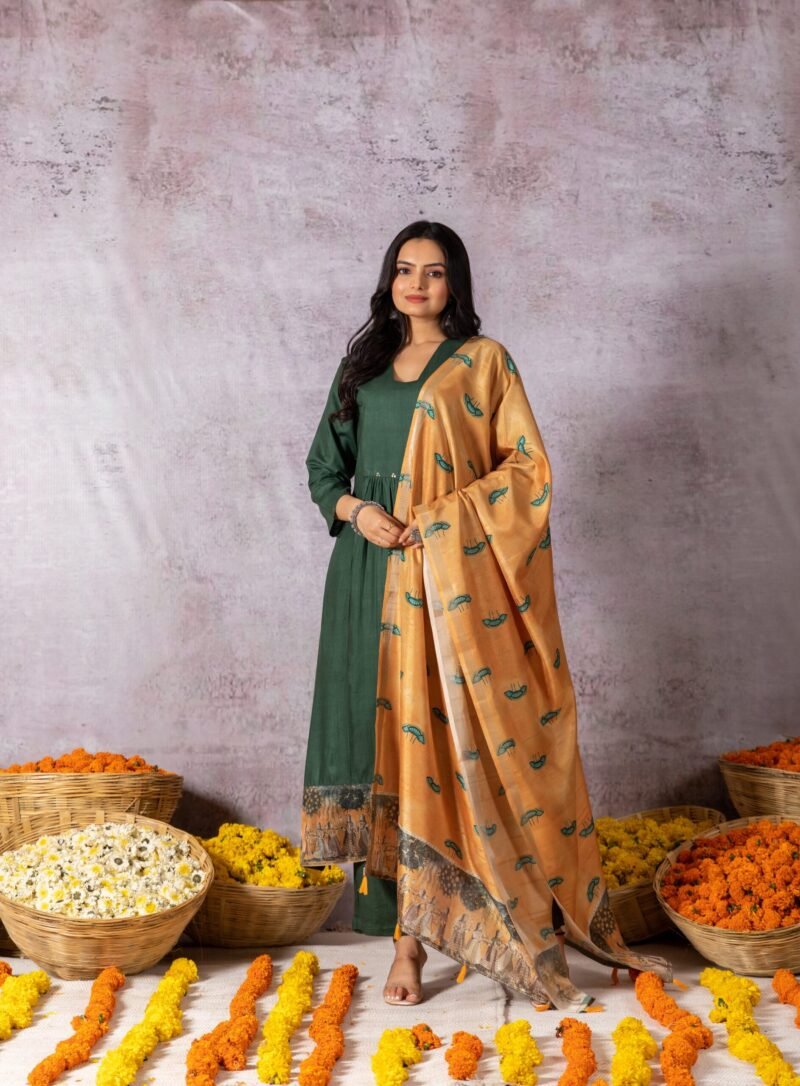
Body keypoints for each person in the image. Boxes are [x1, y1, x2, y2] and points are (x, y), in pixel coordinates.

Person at [302, 221, 671, 1010]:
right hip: (367, 578)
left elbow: (528, 471)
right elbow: (324, 468)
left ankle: (472, 931)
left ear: (456, 284)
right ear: (389, 279)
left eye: (434, 272)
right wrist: (358, 512)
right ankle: (402, 941)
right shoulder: (362, 365)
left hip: (446, 585)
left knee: (442, 747)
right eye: (405, 269)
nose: (417, 284)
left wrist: (440, 522)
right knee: (384, 753)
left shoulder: (484, 362)